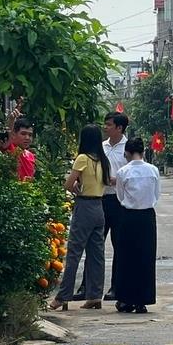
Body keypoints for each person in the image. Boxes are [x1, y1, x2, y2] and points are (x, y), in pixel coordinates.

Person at [49, 125, 111, 311]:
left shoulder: (82, 158)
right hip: (99, 207)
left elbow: (68, 184)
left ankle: (63, 297)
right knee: (96, 255)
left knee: (74, 253)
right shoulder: (103, 160)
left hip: (84, 206)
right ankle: (94, 296)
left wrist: (76, 188)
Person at [74, 111, 128, 301]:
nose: (105, 128)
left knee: (119, 245)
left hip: (119, 201)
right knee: (93, 245)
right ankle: (86, 287)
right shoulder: (101, 147)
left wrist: (117, 181)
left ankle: (116, 287)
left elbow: (133, 173)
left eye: (109, 125)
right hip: (99, 199)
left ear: (119, 128)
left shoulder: (128, 148)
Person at [114, 137, 161, 314]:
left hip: (128, 216)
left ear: (126, 152)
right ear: (143, 152)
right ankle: (143, 300)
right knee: (146, 258)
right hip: (147, 217)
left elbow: (120, 196)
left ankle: (126, 299)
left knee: (126, 258)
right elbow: (157, 194)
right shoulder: (153, 170)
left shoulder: (123, 172)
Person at [2, 116, 36, 181]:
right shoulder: (10, 148)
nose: (27, 138)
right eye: (23, 134)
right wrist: (11, 120)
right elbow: (9, 134)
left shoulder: (31, 156)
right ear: (14, 134)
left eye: (30, 135)